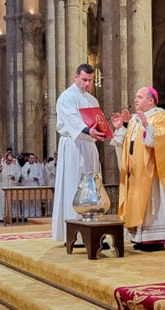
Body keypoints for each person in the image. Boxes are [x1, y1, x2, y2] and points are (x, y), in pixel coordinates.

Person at [112, 87, 165, 252]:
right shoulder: (134, 120)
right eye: (135, 97)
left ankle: (155, 239)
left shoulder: (161, 118)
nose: (135, 100)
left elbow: (162, 144)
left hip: (153, 174)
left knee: (152, 205)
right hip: (136, 173)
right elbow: (128, 144)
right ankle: (140, 238)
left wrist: (147, 125)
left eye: (139, 97)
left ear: (150, 100)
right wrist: (120, 127)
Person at [52, 64, 106, 244]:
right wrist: (86, 130)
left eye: (90, 81)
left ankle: (92, 229)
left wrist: (104, 131)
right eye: (84, 80)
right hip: (74, 145)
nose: (87, 84)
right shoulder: (66, 97)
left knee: (92, 186)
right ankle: (74, 233)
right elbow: (71, 120)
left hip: (90, 146)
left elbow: (98, 120)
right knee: (74, 185)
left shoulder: (92, 100)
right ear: (76, 77)